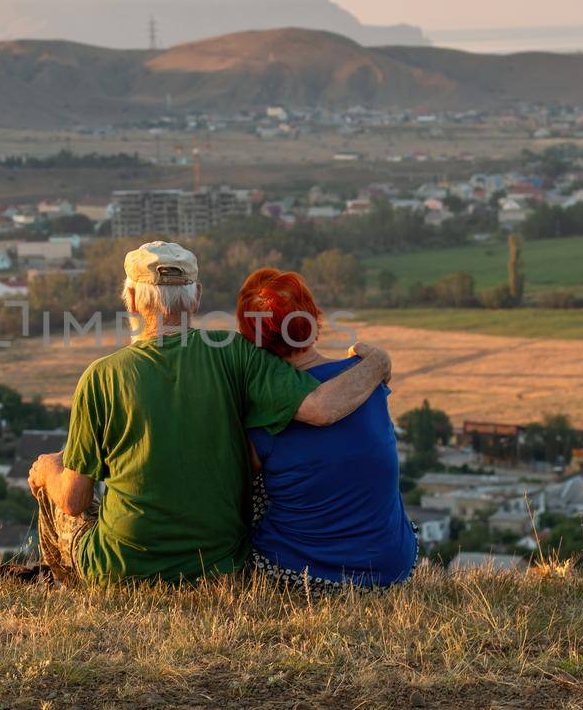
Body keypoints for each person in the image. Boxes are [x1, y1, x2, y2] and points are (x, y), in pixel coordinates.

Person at [27, 241, 391, 585]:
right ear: (196, 297)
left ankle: (67, 584)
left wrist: (48, 470)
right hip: (219, 566)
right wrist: (377, 363)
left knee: (54, 480)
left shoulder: (101, 377)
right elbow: (322, 408)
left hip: (121, 568)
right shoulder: (236, 354)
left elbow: (74, 501)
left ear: (134, 300)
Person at [236, 267, 416, 589]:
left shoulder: (264, 410)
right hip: (392, 570)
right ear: (314, 319)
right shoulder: (366, 382)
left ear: (253, 340)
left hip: (304, 575)